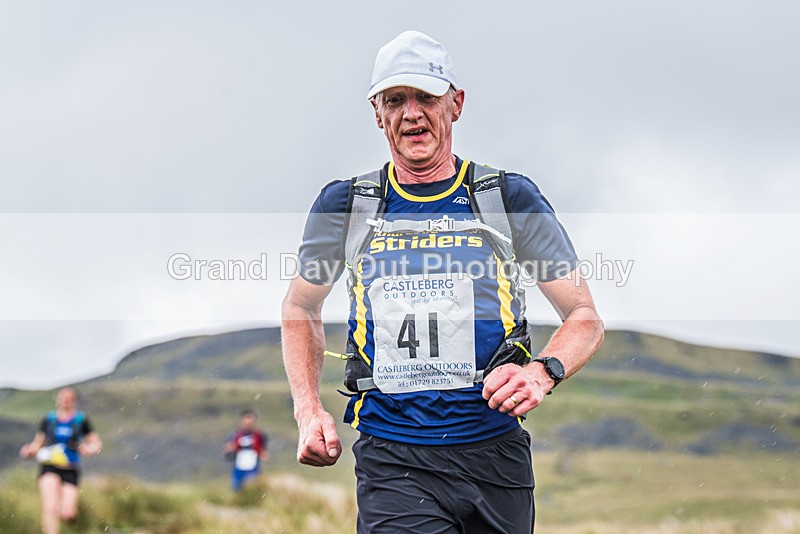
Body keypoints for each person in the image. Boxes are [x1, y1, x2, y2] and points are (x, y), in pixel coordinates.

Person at [281, 30, 604, 533]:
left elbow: (584, 319)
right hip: (394, 459)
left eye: (426, 97)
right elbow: (300, 308)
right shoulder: (347, 205)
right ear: (376, 112)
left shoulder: (506, 198)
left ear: (455, 104)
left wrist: (539, 374)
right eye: (395, 100)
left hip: (496, 456)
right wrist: (308, 411)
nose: (411, 113)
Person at [19, 387, 102, 534]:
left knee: (67, 513)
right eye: (63, 397)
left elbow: (96, 444)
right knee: (50, 507)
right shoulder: (49, 420)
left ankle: (72, 519)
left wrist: (88, 449)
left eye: (70, 398)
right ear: (57, 399)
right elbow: (38, 443)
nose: (66, 401)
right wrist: (29, 450)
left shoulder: (80, 420)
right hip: (49, 467)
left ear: (74, 401)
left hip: (71, 469)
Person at [223, 409, 269, 491]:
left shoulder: (259, 436)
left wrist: (261, 453)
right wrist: (232, 448)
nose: (248, 422)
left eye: (250, 419)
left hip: (253, 468)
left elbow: (264, 453)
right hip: (238, 468)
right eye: (246, 419)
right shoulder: (234, 435)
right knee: (237, 489)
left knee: (252, 490)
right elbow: (227, 452)